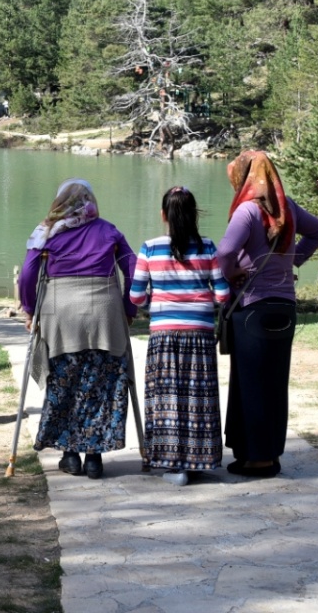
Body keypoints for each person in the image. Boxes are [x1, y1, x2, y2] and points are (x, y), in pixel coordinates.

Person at [215, 151, 318, 479]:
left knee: (249, 383)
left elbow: (224, 252)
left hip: (252, 307)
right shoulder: (287, 207)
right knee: (275, 383)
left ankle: (257, 460)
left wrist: (232, 272)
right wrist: (292, 260)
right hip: (285, 307)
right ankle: (270, 454)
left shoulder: (248, 210)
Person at [18, 179, 137, 480]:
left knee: (65, 382)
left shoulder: (46, 231)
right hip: (105, 315)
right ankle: (94, 457)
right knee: (102, 383)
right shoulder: (109, 230)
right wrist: (129, 308)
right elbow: (133, 268)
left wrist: (30, 309)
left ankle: (70, 455)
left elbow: (29, 274)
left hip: (61, 315)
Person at [128, 186, 230, 485]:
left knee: (167, 397)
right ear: (194, 214)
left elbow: (135, 296)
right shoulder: (208, 247)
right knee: (198, 397)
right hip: (199, 335)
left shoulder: (149, 248)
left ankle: (174, 466)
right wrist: (201, 301)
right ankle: (198, 460)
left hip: (164, 335)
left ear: (164, 215)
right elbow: (223, 295)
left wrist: (155, 306)